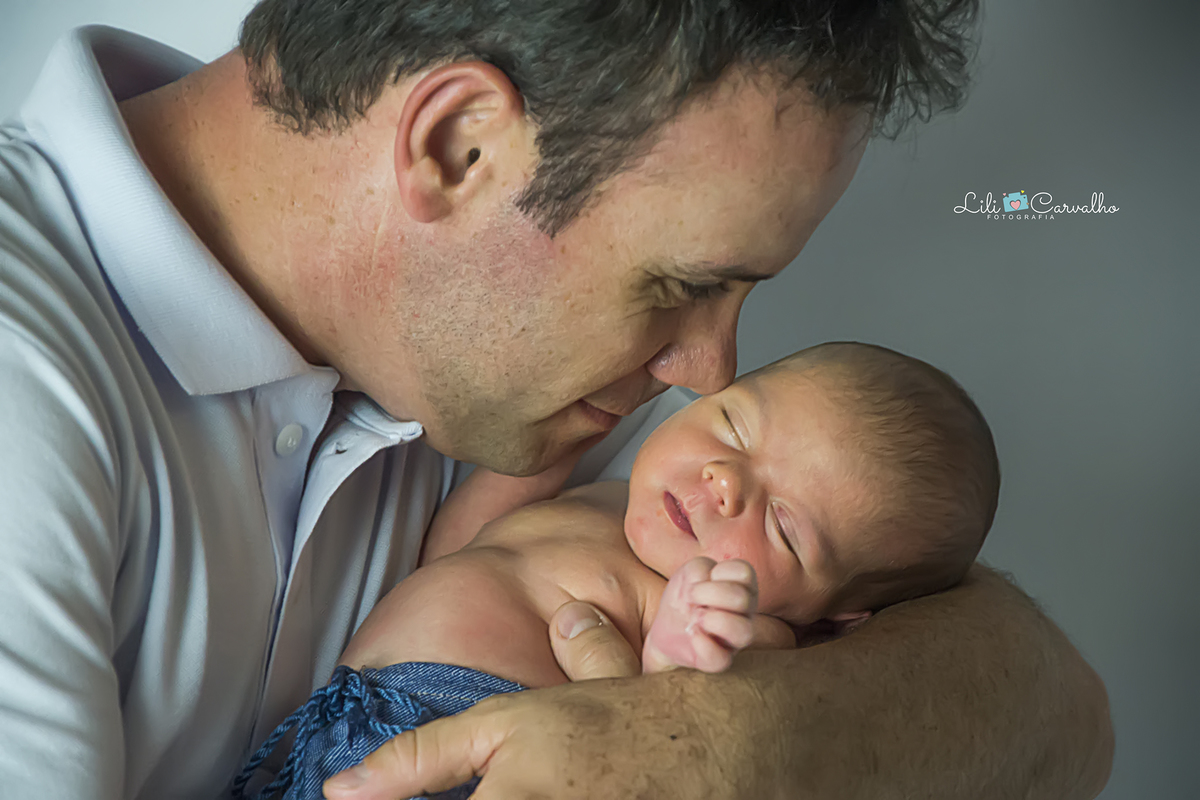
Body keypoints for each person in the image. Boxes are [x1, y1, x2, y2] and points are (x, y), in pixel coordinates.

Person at [0, 2, 1112, 800]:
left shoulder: (552, 390)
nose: (712, 371)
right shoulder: (30, 386)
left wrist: (715, 746)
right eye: (687, 283)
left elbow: (1057, 709)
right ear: (457, 145)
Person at [233, 342, 1002, 800]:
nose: (724, 481)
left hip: (482, 756)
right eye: (733, 424)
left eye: (781, 525)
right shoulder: (611, 493)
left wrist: (684, 643)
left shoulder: (749, 621)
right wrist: (549, 444)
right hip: (348, 719)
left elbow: (674, 720)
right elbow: (459, 548)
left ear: (833, 618)